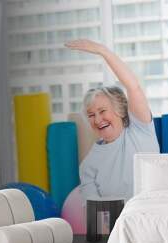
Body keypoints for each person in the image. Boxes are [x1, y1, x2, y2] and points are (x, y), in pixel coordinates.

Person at [65, 39, 160, 202]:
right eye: (91, 115)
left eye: (102, 111)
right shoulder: (88, 166)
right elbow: (96, 216)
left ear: (120, 111)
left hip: (155, 216)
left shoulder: (140, 130)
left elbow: (133, 86)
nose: (97, 119)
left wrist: (104, 51)